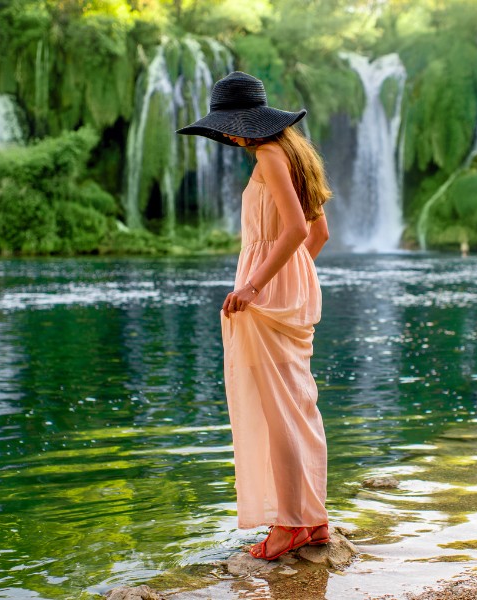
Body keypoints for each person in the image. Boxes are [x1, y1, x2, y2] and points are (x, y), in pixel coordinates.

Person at [177, 71, 332, 561]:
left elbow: (291, 230)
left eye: (225, 126)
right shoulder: (296, 154)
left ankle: (288, 526)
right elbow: (318, 235)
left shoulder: (266, 155)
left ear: (238, 124)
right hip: (289, 288)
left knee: (278, 410)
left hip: (266, 292)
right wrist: (293, 278)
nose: (226, 136)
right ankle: (313, 520)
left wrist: (255, 284)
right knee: (298, 405)